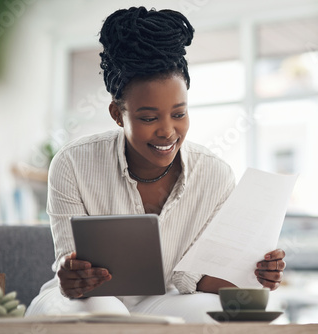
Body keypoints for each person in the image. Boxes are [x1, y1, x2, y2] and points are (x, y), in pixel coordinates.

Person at [26, 6, 286, 323]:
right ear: (117, 114)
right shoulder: (72, 164)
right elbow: (69, 264)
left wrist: (253, 274)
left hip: (162, 301)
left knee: (224, 316)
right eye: (149, 118)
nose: (167, 131)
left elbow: (193, 279)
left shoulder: (215, 175)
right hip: (81, 300)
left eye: (179, 113)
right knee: (105, 313)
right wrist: (72, 273)